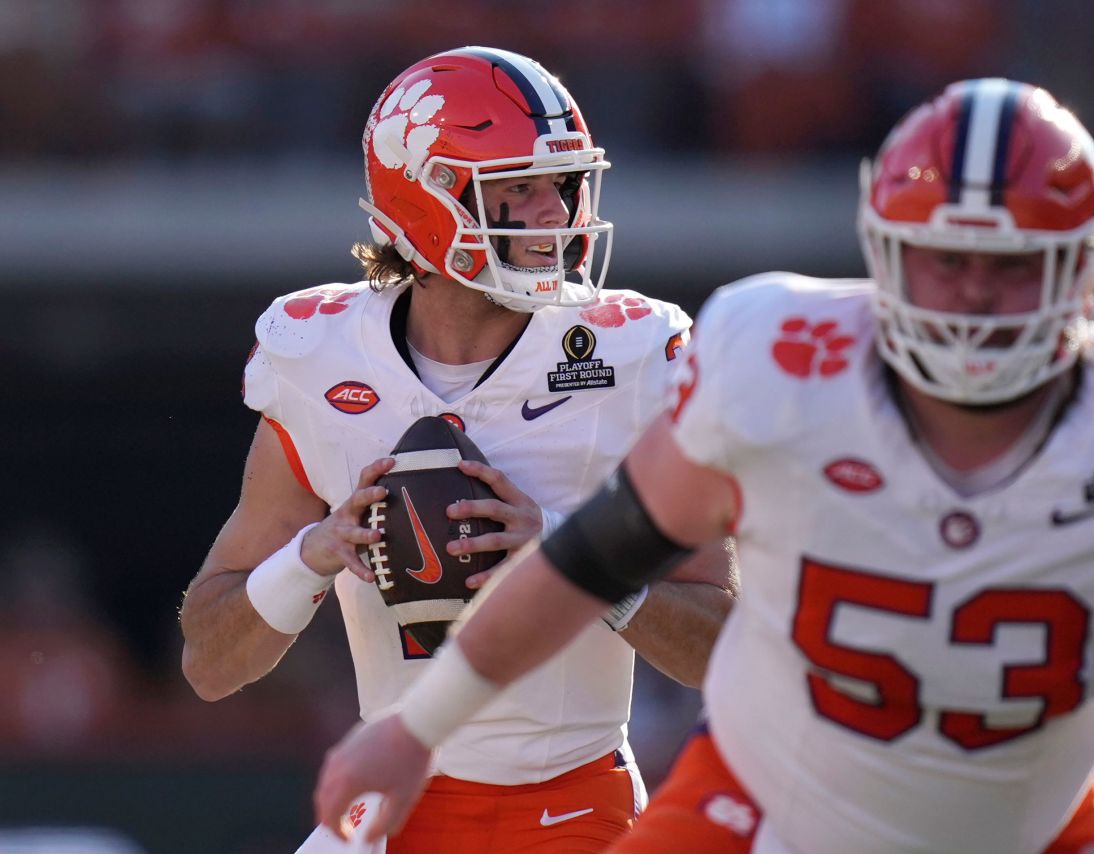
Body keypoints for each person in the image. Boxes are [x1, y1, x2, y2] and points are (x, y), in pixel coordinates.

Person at [312, 78, 1094, 854]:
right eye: (945, 258)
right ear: (885, 253)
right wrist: (414, 727)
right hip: (764, 799)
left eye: (1015, 264)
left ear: (1083, 270)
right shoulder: (779, 362)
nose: (976, 294)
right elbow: (591, 562)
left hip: (1026, 816)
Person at [179, 46, 736, 853]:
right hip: (387, 806)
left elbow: (726, 649)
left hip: (575, 803)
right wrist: (313, 555)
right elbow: (209, 662)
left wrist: (575, 563)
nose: (556, 214)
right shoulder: (320, 356)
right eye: (518, 188)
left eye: (563, 183)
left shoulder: (635, 356)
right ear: (427, 201)